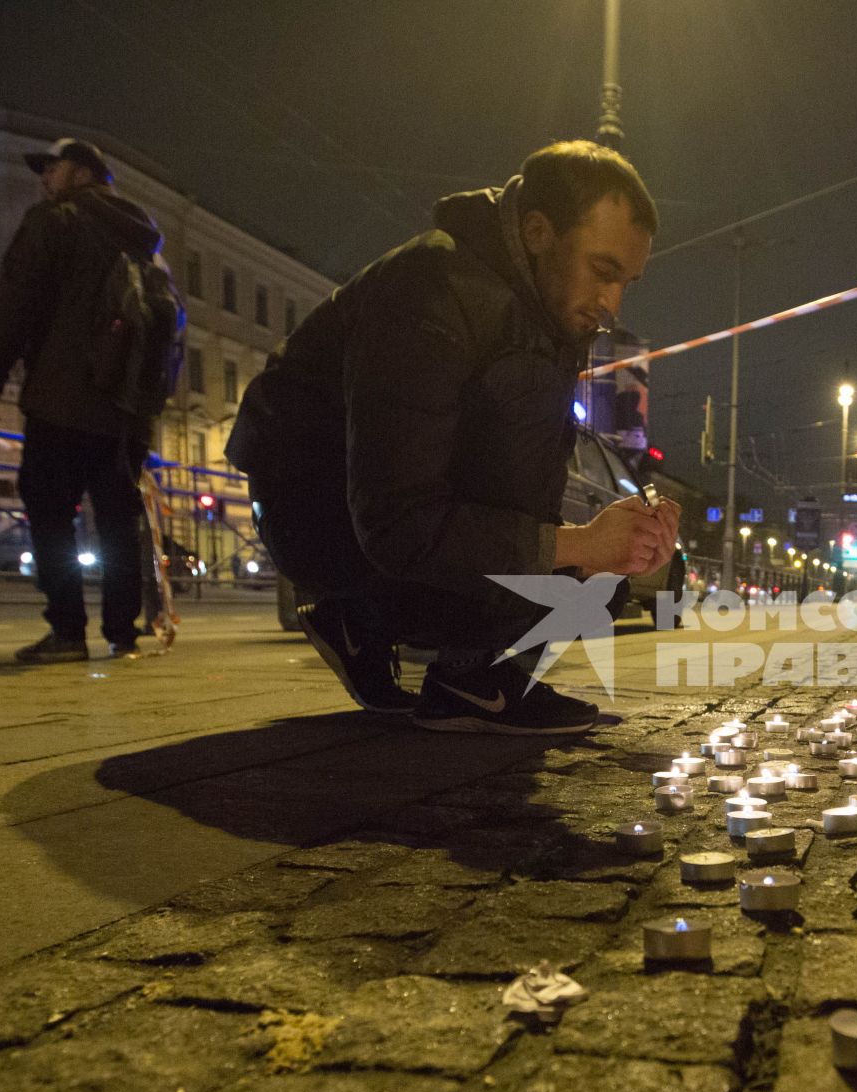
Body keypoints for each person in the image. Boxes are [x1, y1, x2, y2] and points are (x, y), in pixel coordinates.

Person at [226, 141, 678, 736]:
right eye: (603, 271)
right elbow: (397, 520)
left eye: (628, 282)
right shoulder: (429, 290)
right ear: (539, 231)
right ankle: (356, 611)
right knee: (576, 572)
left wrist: (614, 543)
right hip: (318, 510)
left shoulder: (551, 313)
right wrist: (577, 544)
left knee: (601, 586)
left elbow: (527, 481)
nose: (611, 305)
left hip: (393, 516)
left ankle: (471, 676)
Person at [0, 137, 177, 663]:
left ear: (84, 174)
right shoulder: (146, 246)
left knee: (49, 512)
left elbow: (16, 299)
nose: (44, 178)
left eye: (53, 167)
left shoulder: (56, 222)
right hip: (128, 417)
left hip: (63, 400)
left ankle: (67, 632)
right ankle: (123, 633)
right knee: (117, 519)